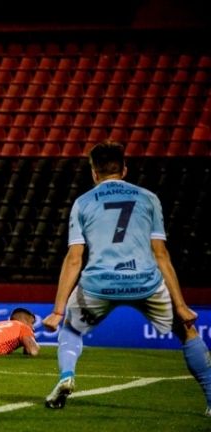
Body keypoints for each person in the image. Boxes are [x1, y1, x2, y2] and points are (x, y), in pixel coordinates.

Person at [41, 141, 210, 416]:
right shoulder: (148, 198)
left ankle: (66, 377)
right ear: (125, 169)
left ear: (94, 172)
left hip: (98, 283)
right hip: (145, 281)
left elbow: (74, 258)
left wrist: (58, 311)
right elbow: (161, 254)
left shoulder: (83, 202)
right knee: (187, 332)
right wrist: (180, 304)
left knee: (72, 329)